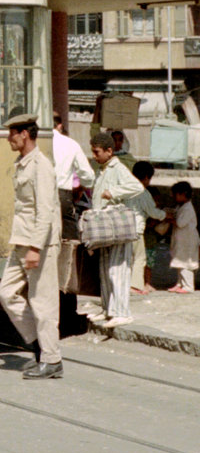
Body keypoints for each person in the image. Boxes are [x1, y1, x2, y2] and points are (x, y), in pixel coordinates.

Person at [0, 113, 63, 380]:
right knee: (6, 292)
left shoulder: (41, 165)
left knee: (42, 302)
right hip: (22, 240)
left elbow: (45, 210)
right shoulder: (23, 163)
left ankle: (51, 359)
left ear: (25, 133)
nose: (8, 137)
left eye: (12, 132)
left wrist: (36, 247)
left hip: (39, 243)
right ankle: (38, 344)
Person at [88, 132, 143, 328]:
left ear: (109, 151)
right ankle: (108, 309)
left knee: (117, 270)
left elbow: (136, 187)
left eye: (97, 152)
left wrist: (114, 192)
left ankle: (122, 312)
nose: (94, 156)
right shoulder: (102, 170)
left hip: (118, 228)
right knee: (105, 270)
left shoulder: (118, 168)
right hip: (105, 229)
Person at [50, 112, 95, 241]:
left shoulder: (36, 142)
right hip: (62, 195)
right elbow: (87, 176)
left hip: (38, 193)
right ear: (60, 126)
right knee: (67, 237)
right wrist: (82, 186)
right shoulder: (71, 144)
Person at [128, 161, 165, 294]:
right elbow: (153, 212)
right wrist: (166, 215)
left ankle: (128, 283)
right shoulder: (143, 193)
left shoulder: (127, 188)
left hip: (124, 228)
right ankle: (135, 285)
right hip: (136, 229)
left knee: (127, 258)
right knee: (140, 258)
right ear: (146, 177)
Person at [168, 181, 198, 293]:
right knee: (179, 261)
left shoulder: (188, 209)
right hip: (181, 239)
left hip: (188, 240)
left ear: (183, 194)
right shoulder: (181, 206)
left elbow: (180, 223)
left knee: (186, 262)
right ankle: (180, 283)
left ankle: (188, 286)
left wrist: (169, 219)